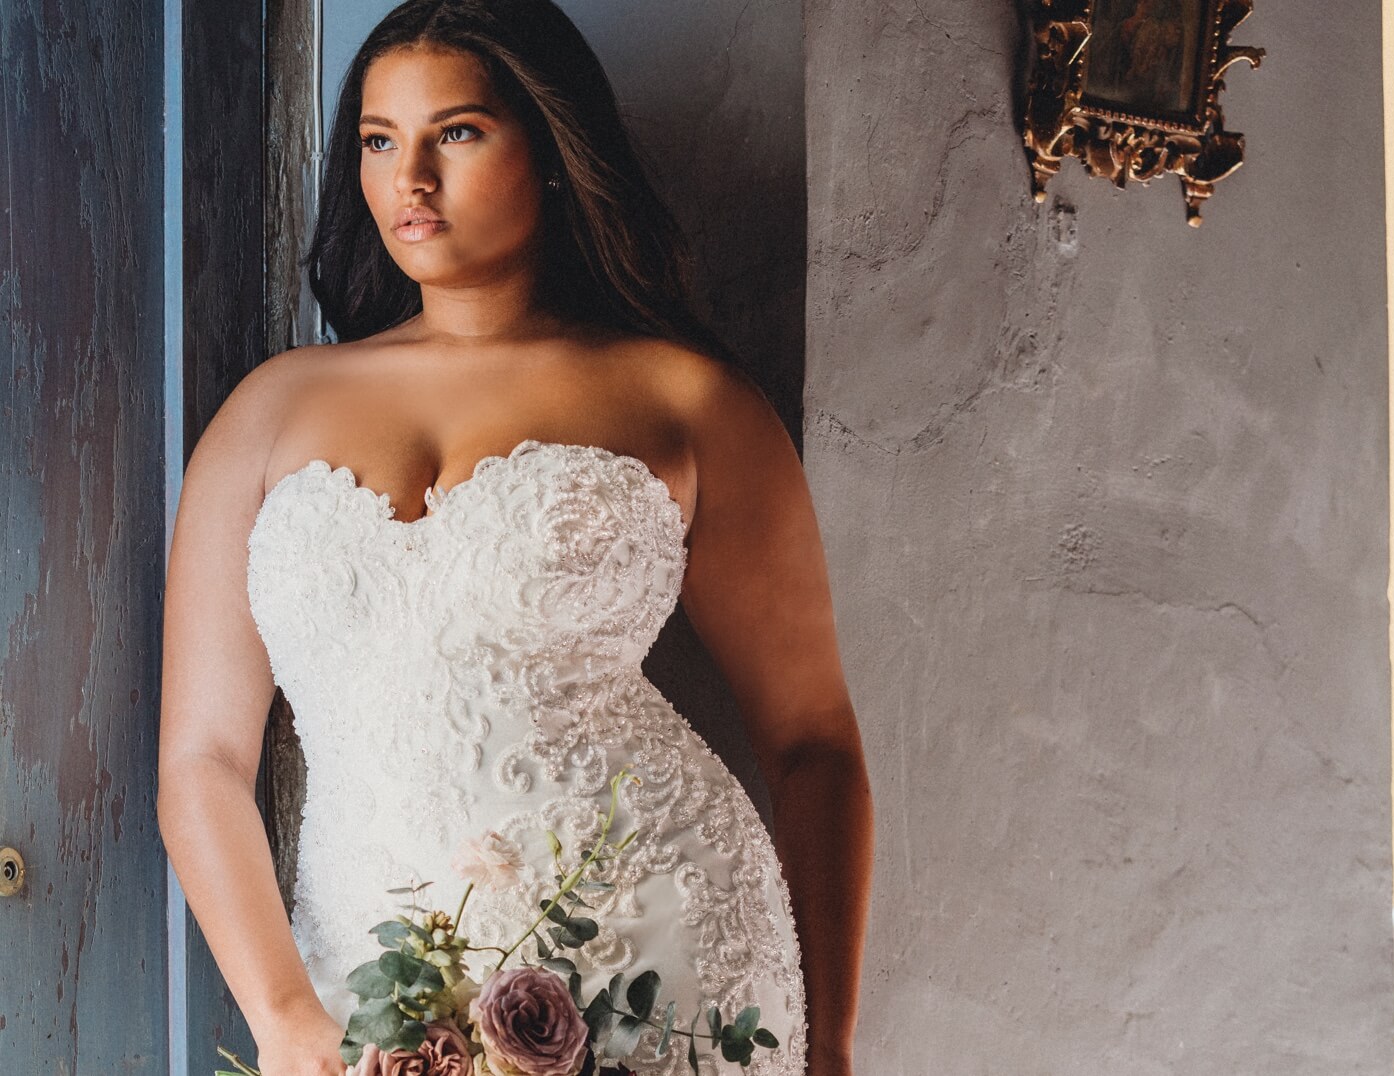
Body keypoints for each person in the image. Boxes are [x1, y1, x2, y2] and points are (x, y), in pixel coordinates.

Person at [155, 2, 873, 1075]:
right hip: (369, 977)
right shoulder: (270, 410)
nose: (412, 180)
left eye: (457, 133)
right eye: (378, 140)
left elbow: (813, 741)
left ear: (546, 150)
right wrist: (282, 1012)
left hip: (657, 955)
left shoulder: (686, 398)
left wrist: (834, 1047)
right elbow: (202, 760)